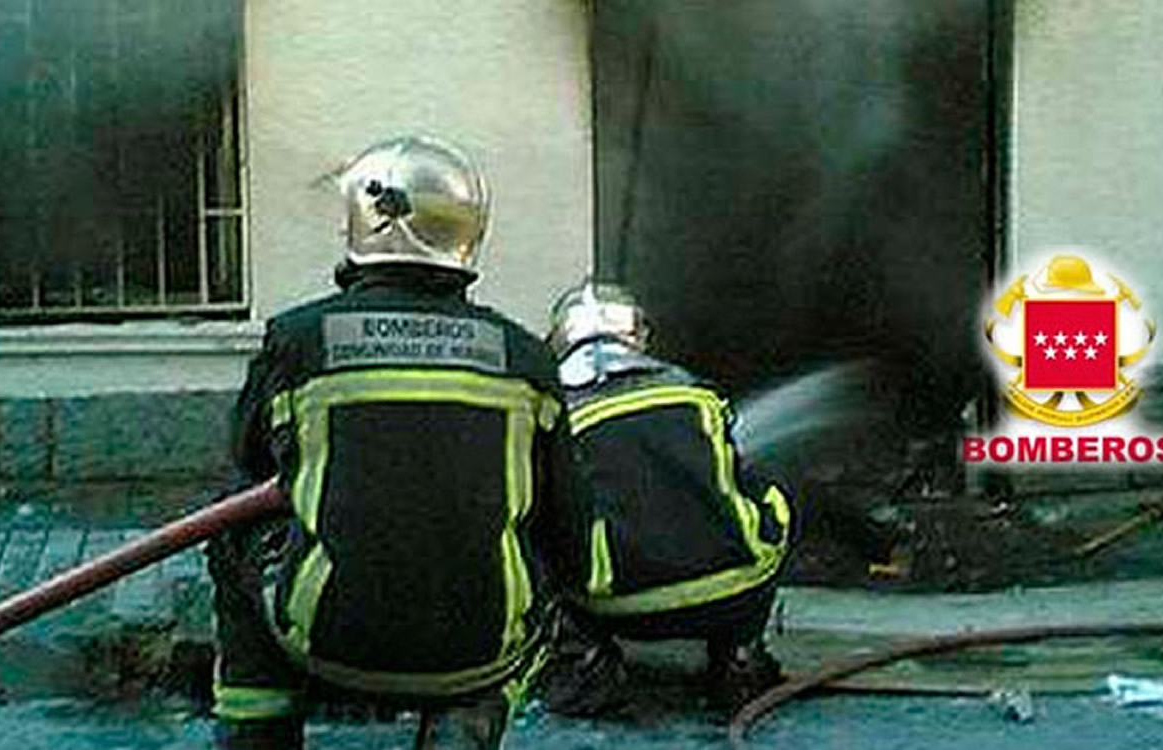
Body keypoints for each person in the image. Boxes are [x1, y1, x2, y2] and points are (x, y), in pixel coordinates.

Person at [211, 136, 582, 750]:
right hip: (481, 651)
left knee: (230, 530)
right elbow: (571, 530)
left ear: (364, 220)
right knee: (543, 567)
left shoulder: (299, 340)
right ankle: (467, 719)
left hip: (326, 642)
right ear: (468, 232)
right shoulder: (528, 358)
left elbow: (249, 456)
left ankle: (260, 728)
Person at [537, 280, 795, 716]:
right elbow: (739, 479)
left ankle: (584, 664)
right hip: (731, 596)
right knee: (774, 499)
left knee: (538, 530)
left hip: (619, 607)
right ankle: (739, 657)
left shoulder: (555, 414)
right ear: (637, 336)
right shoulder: (695, 393)